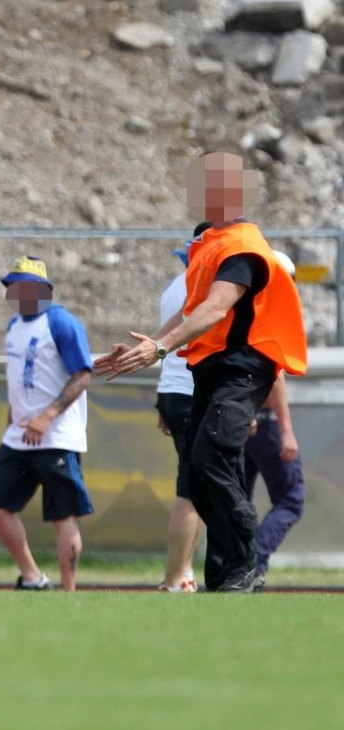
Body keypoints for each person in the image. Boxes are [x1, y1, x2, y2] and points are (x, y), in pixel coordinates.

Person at [95, 152, 307, 593]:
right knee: (200, 470)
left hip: (243, 370)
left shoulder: (243, 248)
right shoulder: (211, 243)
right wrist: (147, 344)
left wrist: (159, 349)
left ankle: (245, 554)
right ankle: (231, 574)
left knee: (210, 456)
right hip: (209, 371)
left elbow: (215, 308)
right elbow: (191, 310)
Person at [0, 256, 94, 592]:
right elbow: (17, 381)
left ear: (43, 289)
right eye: (12, 285)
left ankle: (68, 591)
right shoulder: (14, 325)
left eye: (23, 285)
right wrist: (10, 422)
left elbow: (82, 376)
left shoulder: (62, 323)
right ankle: (32, 576)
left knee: (62, 515)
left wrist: (47, 416)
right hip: (18, 437)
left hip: (57, 437)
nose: (16, 292)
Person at [244, 252, 305, 590]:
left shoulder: (244, 310)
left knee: (240, 500)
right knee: (291, 499)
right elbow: (274, 376)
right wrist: (286, 430)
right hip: (264, 423)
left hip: (241, 422)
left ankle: (236, 566)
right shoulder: (272, 314)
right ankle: (254, 562)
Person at [155, 224, 210, 594]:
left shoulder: (173, 288)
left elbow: (164, 345)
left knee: (199, 486)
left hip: (173, 391)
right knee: (192, 488)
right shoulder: (202, 287)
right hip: (192, 391)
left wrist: (162, 399)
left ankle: (184, 572)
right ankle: (175, 577)